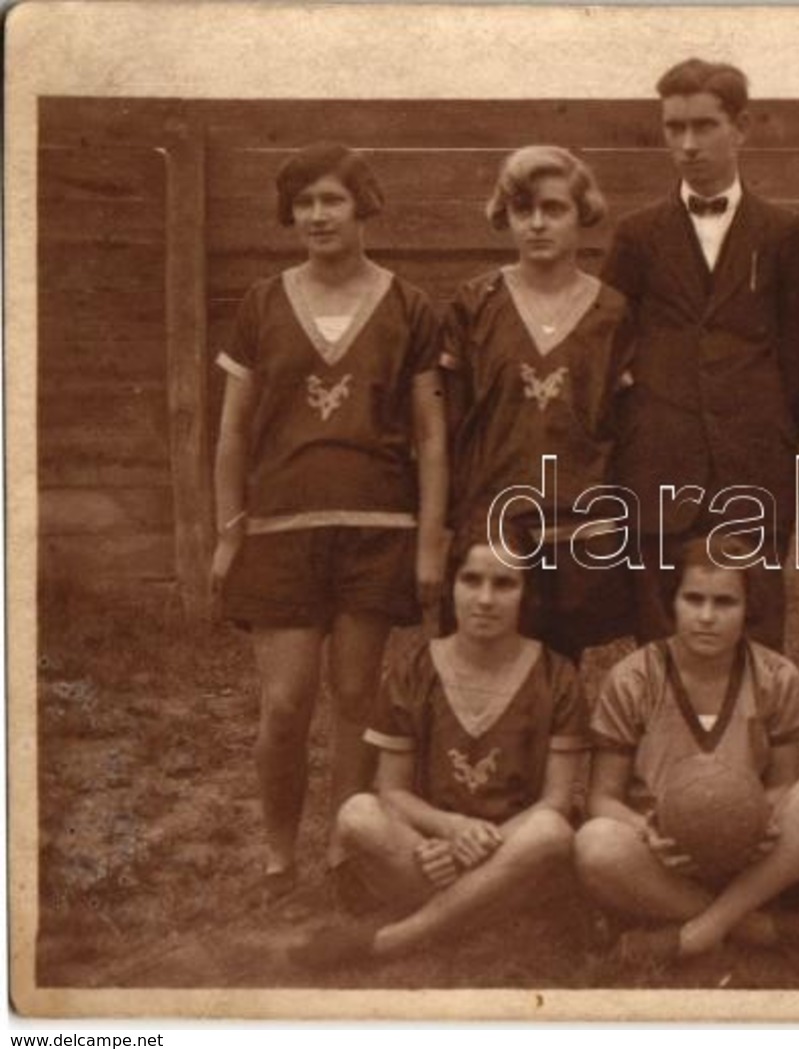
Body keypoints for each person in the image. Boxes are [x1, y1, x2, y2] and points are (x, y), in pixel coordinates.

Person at [210, 142, 447, 894]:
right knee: (284, 705)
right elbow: (233, 432)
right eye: (304, 202)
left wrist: (430, 542)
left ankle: (345, 852)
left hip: (377, 528)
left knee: (355, 699)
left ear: (362, 206)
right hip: (281, 529)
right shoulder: (261, 302)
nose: (317, 215)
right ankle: (278, 855)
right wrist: (228, 531)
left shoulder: (410, 305)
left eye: (331, 200)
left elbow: (432, 435)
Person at [600, 57, 799, 650]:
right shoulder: (636, 235)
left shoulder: (782, 232)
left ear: (742, 127)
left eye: (703, 126)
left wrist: (770, 428)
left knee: (753, 634)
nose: (688, 144)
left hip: (751, 470)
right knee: (660, 637)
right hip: (659, 472)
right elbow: (608, 348)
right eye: (674, 128)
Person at [289, 540, 585, 968]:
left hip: (513, 845)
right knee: (356, 813)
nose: (485, 598)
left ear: (528, 594)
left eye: (504, 584)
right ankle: (485, 909)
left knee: (551, 832)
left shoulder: (556, 675)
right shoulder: (415, 670)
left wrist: (482, 846)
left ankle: (396, 939)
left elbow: (556, 801)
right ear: (451, 588)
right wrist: (451, 830)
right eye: (471, 580)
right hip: (433, 847)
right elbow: (391, 791)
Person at [574, 536, 799, 965]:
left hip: (748, 850)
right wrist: (645, 831)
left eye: (725, 603)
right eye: (693, 599)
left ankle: (696, 933)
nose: (707, 617)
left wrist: (755, 822)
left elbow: (783, 784)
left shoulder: (776, 677)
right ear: (672, 602)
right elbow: (601, 798)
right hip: (663, 851)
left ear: (749, 609)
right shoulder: (633, 679)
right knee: (594, 844)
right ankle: (760, 928)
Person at [442, 145, 635, 660]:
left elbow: (622, 428)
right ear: (504, 216)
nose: (537, 224)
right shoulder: (476, 302)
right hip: (494, 520)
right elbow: (451, 423)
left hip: (578, 523)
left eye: (554, 209)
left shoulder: (612, 312)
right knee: (491, 673)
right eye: (522, 210)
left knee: (561, 678)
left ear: (582, 214)